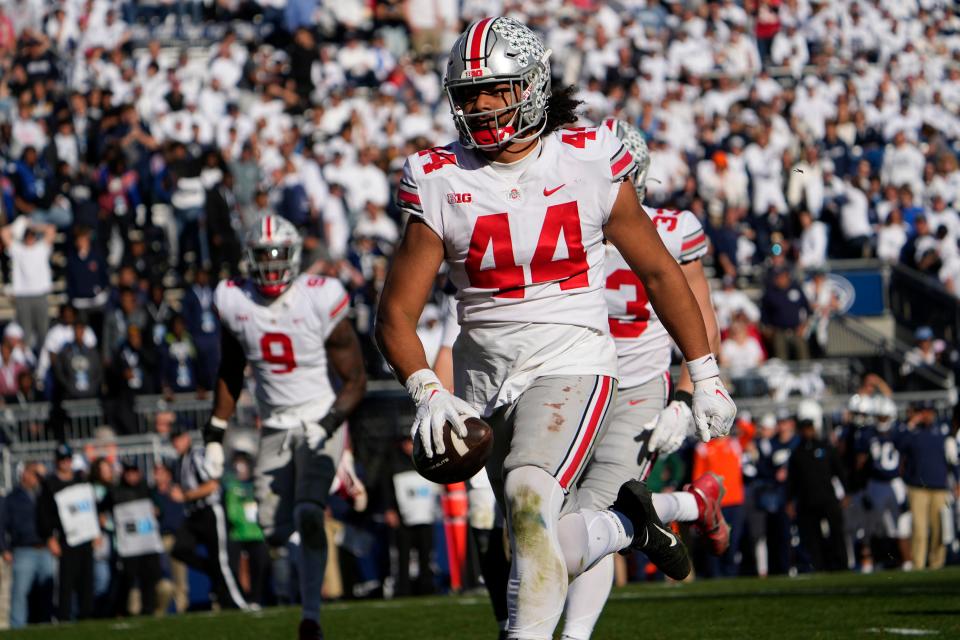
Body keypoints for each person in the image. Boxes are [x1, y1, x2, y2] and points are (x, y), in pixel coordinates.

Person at [375, 18, 736, 640]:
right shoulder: (438, 177)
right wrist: (427, 391)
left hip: (573, 359)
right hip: (484, 375)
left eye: (497, 90)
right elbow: (395, 313)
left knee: (528, 495)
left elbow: (658, 270)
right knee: (536, 534)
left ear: (534, 85)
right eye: (468, 95)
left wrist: (702, 376)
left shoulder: (589, 158)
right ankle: (634, 524)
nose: (482, 106)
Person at [561, 119, 732, 640]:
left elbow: (700, 321)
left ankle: (572, 636)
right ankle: (690, 504)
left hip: (636, 390)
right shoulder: (562, 222)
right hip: (574, 382)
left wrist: (685, 397)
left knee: (589, 518)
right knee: (549, 519)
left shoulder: (674, 228)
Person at [203, 213, 367, 639]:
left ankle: (310, 616)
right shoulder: (234, 300)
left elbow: (355, 380)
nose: (271, 265)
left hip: (319, 419)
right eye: (264, 256)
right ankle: (306, 563)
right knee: (275, 530)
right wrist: (215, 433)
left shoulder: (320, 296)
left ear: (294, 258)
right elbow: (230, 368)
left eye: (278, 256)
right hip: (273, 426)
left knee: (309, 513)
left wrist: (330, 423)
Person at [169, 426, 247, 610]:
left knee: (221, 559)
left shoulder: (197, 455)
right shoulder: (179, 462)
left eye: (178, 438)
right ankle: (215, 575)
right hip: (194, 513)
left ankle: (236, 600)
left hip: (210, 510)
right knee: (180, 549)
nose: (176, 444)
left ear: (186, 438)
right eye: (173, 440)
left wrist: (186, 496)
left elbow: (212, 485)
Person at [37, 443, 100, 622]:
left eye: (68, 459)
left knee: (87, 578)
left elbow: (90, 507)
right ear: (57, 462)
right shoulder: (50, 484)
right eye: (62, 460)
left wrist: (96, 531)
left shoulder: (81, 480)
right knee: (66, 580)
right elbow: (44, 515)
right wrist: (50, 537)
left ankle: (86, 614)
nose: (65, 463)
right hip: (66, 538)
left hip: (85, 535)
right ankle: (64, 616)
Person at [786, 408, 848, 572]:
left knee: (836, 533)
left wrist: (846, 492)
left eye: (810, 428)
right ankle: (819, 566)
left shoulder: (826, 448)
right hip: (807, 500)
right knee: (812, 536)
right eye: (804, 429)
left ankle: (841, 564)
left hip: (828, 497)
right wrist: (789, 501)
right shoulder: (797, 453)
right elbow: (792, 480)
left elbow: (839, 471)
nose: (808, 432)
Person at [898, 401, 956, 570]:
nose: (926, 415)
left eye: (929, 411)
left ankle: (937, 563)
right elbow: (898, 444)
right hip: (918, 488)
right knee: (919, 529)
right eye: (923, 411)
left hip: (940, 487)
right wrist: (911, 423)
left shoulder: (943, 431)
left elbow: (952, 459)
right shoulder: (912, 432)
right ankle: (919, 564)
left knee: (940, 528)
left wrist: (957, 481)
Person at [105, 460, 164, 617]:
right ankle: (120, 610)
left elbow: (161, 509)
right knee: (127, 578)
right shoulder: (115, 492)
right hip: (129, 546)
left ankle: (148, 609)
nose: (132, 476)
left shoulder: (146, 489)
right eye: (128, 473)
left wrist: (157, 511)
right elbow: (102, 509)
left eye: (134, 473)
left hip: (147, 543)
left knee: (149, 579)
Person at [1, 462, 54, 628]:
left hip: (44, 548)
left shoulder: (43, 496)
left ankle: (44, 624)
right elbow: (1, 525)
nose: (38, 479)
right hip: (23, 549)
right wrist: (4, 549)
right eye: (35, 474)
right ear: (25, 474)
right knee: (20, 592)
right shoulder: (11, 498)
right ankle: (18, 626)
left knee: (46, 590)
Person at [0, 218, 55, 351]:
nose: (30, 238)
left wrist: (33, 225)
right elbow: (3, 233)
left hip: (40, 294)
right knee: (26, 334)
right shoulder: (18, 250)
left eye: (32, 235)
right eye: (27, 235)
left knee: (43, 332)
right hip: (23, 296)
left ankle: (43, 361)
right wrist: (19, 225)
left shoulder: (41, 248)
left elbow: (51, 229)